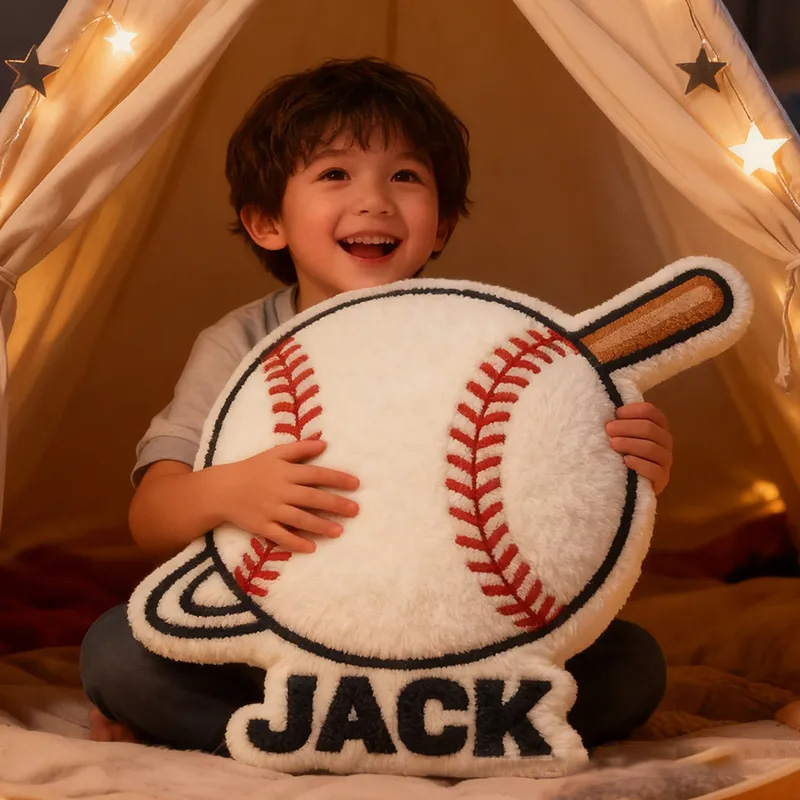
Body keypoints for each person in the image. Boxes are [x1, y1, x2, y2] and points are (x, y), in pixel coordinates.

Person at [80, 57, 672, 753]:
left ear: (443, 225)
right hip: (281, 645)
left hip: (459, 644)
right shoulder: (240, 341)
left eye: (406, 177)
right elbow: (151, 517)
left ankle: (319, 743)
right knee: (116, 652)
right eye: (335, 174)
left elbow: (570, 499)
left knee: (631, 666)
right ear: (268, 220)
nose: (375, 201)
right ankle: (421, 743)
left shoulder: (493, 346)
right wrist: (227, 490)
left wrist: (633, 467)